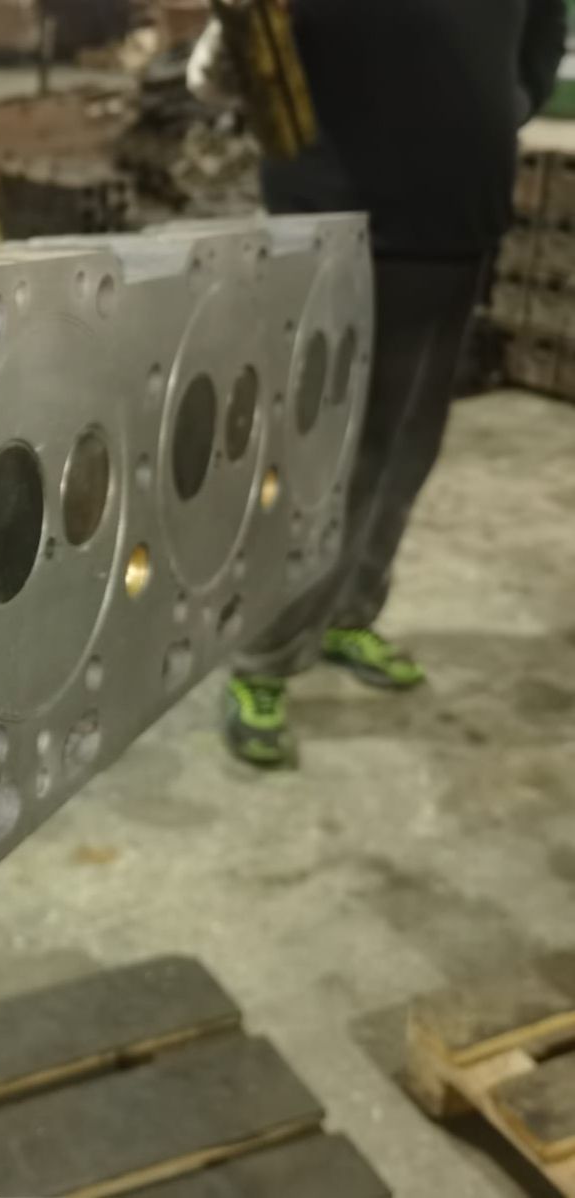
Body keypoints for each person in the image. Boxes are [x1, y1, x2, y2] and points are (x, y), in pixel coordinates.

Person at [190, 0, 568, 766]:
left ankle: (349, 611)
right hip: (330, 224)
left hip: (455, 220)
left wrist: (475, 121)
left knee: (405, 451)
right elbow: (242, 64)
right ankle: (265, 657)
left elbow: (534, 58)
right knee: (315, 463)